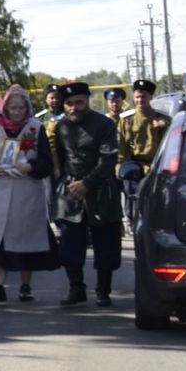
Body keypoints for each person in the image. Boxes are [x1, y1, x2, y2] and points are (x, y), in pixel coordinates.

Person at [0, 86, 58, 302]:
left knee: (24, 241)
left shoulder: (35, 128)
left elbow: (47, 163)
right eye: (13, 108)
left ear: (27, 108)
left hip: (25, 193)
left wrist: (30, 166)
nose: (17, 112)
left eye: (21, 108)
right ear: (6, 108)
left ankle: (25, 285)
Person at [49, 79, 123, 308]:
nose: (74, 107)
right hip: (70, 192)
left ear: (88, 100)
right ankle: (76, 288)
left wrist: (87, 184)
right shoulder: (60, 127)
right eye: (69, 103)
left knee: (106, 246)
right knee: (70, 245)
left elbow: (109, 159)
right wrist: (64, 183)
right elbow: (57, 159)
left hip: (101, 190)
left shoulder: (104, 125)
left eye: (79, 102)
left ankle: (103, 290)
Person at [116, 80, 168, 228]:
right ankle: (134, 224)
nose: (140, 100)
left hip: (156, 167)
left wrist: (164, 126)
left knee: (156, 201)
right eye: (137, 97)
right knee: (133, 202)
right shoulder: (127, 120)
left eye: (143, 97)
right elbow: (122, 145)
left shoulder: (162, 119)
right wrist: (120, 165)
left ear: (150, 97)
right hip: (134, 166)